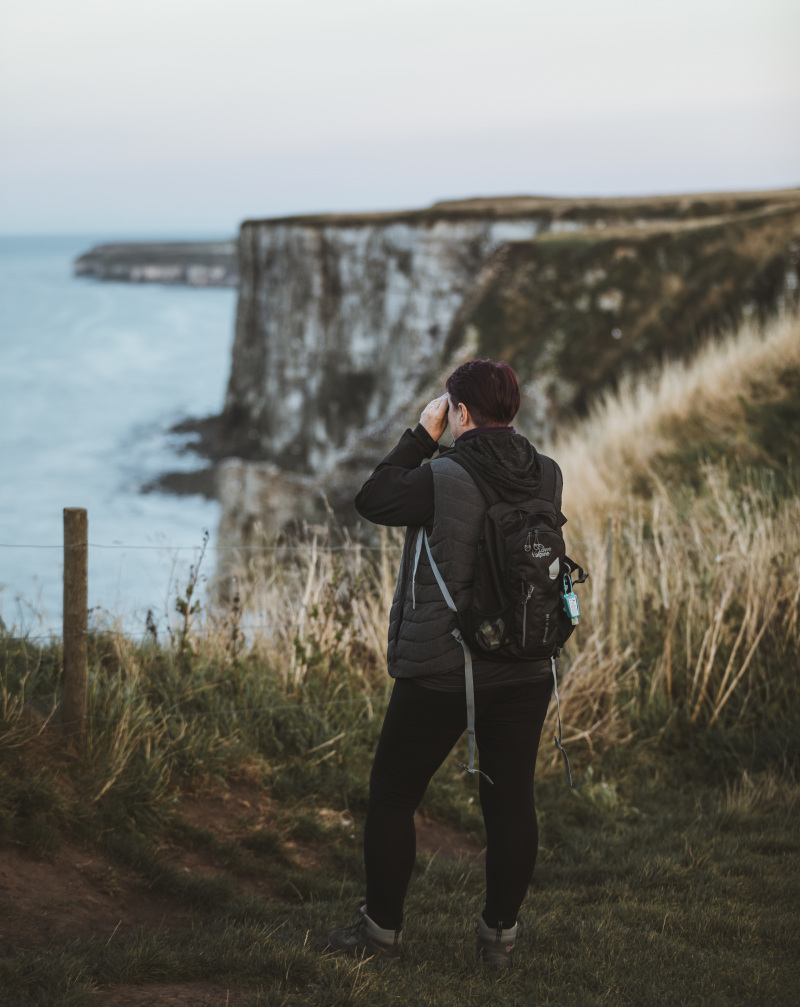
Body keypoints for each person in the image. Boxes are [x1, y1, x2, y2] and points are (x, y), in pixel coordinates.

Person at [326, 358, 564, 968]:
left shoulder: (442, 475)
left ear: (459, 411)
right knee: (511, 799)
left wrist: (421, 436)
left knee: (394, 793)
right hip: (525, 664)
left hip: (443, 665)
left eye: (451, 409)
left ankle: (379, 935)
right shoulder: (548, 474)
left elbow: (373, 498)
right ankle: (499, 941)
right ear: (512, 409)